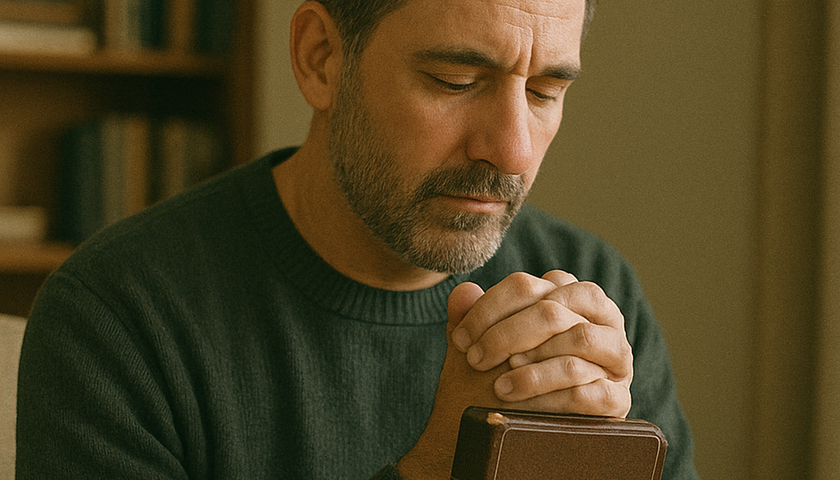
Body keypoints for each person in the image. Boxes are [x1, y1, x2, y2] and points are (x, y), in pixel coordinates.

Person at [16, 0, 700, 478]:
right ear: (321, 59)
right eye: (456, 81)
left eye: (546, 91)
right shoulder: (117, 314)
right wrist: (442, 465)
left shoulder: (590, 291)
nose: (513, 151)